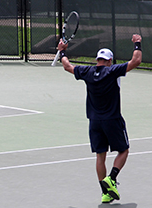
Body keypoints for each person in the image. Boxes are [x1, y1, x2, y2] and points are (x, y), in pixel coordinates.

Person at [57, 34, 142, 203]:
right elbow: (136, 61)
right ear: (109, 61)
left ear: (98, 60)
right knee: (124, 150)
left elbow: (67, 66)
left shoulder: (87, 71)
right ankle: (111, 178)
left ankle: (105, 193)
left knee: (100, 156)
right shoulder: (112, 71)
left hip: (94, 122)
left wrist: (62, 52)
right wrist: (137, 44)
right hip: (112, 120)